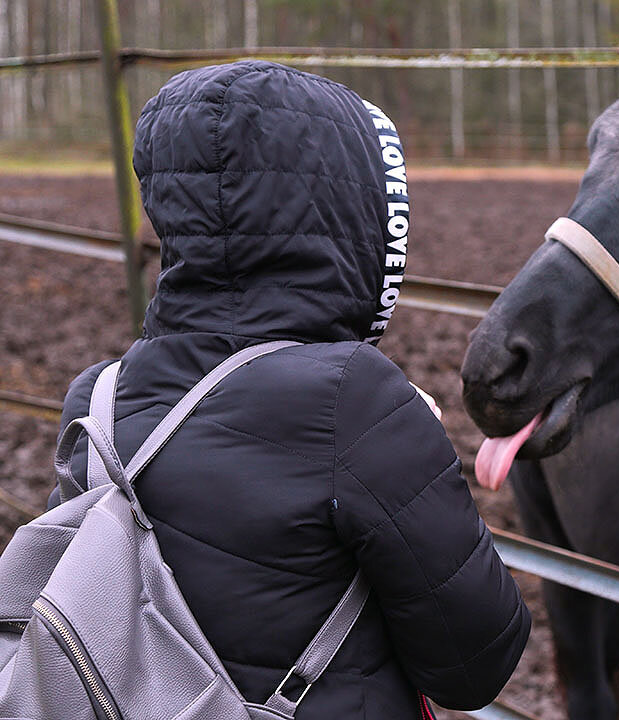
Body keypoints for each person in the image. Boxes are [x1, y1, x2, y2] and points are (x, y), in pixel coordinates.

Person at [52, 60, 530, 718]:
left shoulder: (96, 401)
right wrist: (419, 462)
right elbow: (476, 664)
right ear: (347, 207)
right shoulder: (352, 399)